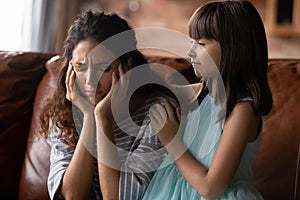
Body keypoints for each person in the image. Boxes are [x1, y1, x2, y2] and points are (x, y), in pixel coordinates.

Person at [39, 10, 177, 200]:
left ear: (126, 67)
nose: (90, 81)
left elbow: (117, 197)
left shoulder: (158, 113)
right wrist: (88, 117)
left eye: (103, 68)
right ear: (71, 68)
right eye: (81, 67)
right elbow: (71, 196)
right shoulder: (64, 112)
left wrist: (102, 117)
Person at [142, 1, 273, 199]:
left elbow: (211, 188)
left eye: (201, 44)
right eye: (191, 42)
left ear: (234, 48)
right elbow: (150, 90)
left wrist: (171, 141)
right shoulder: (199, 95)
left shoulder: (242, 110)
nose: (190, 52)